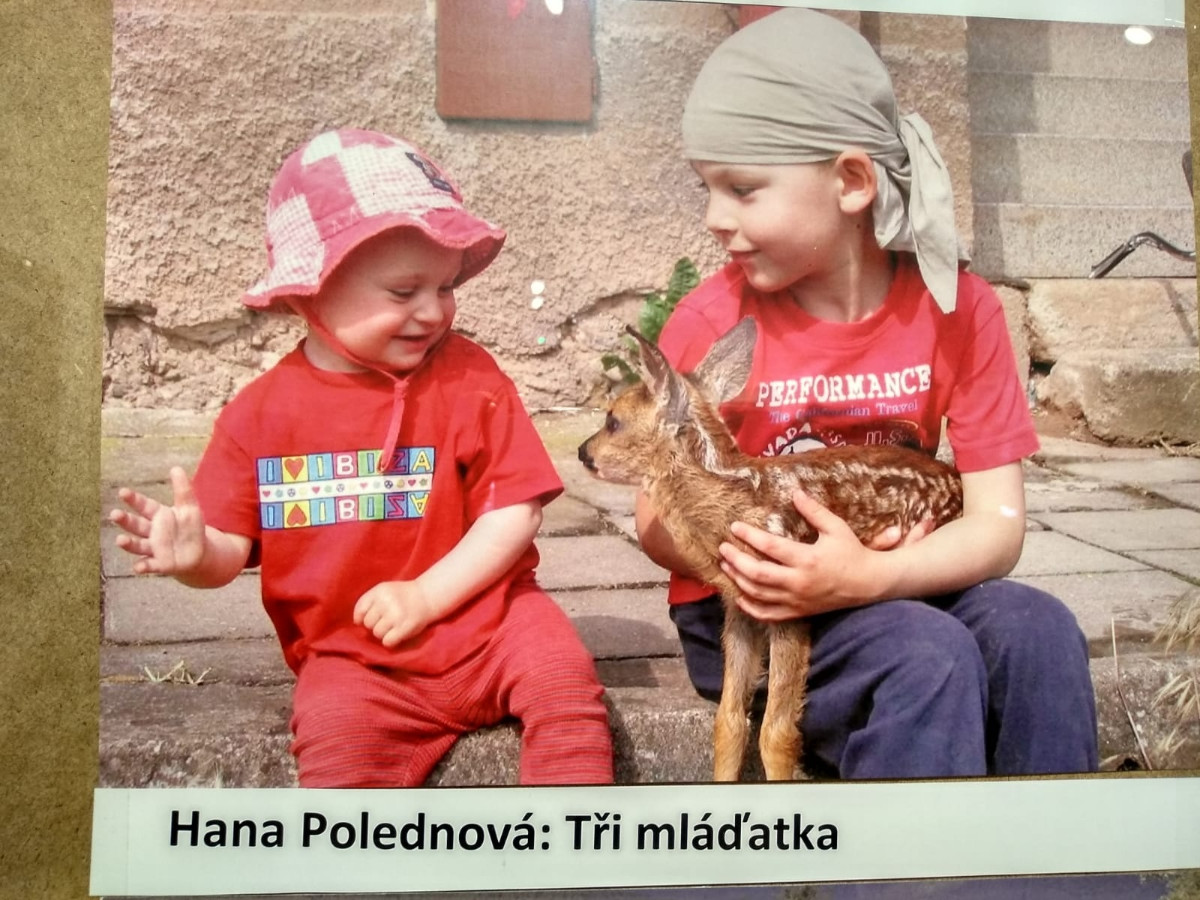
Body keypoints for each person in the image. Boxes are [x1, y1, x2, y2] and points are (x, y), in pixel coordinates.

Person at [635, 9, 1098, 778]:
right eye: (706, 188)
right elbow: (656, 523)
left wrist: (869, 578)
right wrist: (789, 563)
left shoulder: (959, 308)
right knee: (926, 658)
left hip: (897, 582)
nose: (715, 218)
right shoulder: (714, 323)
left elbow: (996, 526)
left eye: (743, 189)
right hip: (756, 614)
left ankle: (1060, 847)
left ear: (851, 181)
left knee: (1038, 630)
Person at [110, 129, 613, 787]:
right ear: (309, 293)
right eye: (404, 292)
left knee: (563, 679)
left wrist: (427, 595)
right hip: (355, 659)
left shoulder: (470, 378)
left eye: (445, 286)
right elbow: (229, 549)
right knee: (334, 744)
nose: (433, 310)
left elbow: (514, 512)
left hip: (493, 622)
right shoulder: (261, 417)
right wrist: (194, 555)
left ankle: (573, 835)